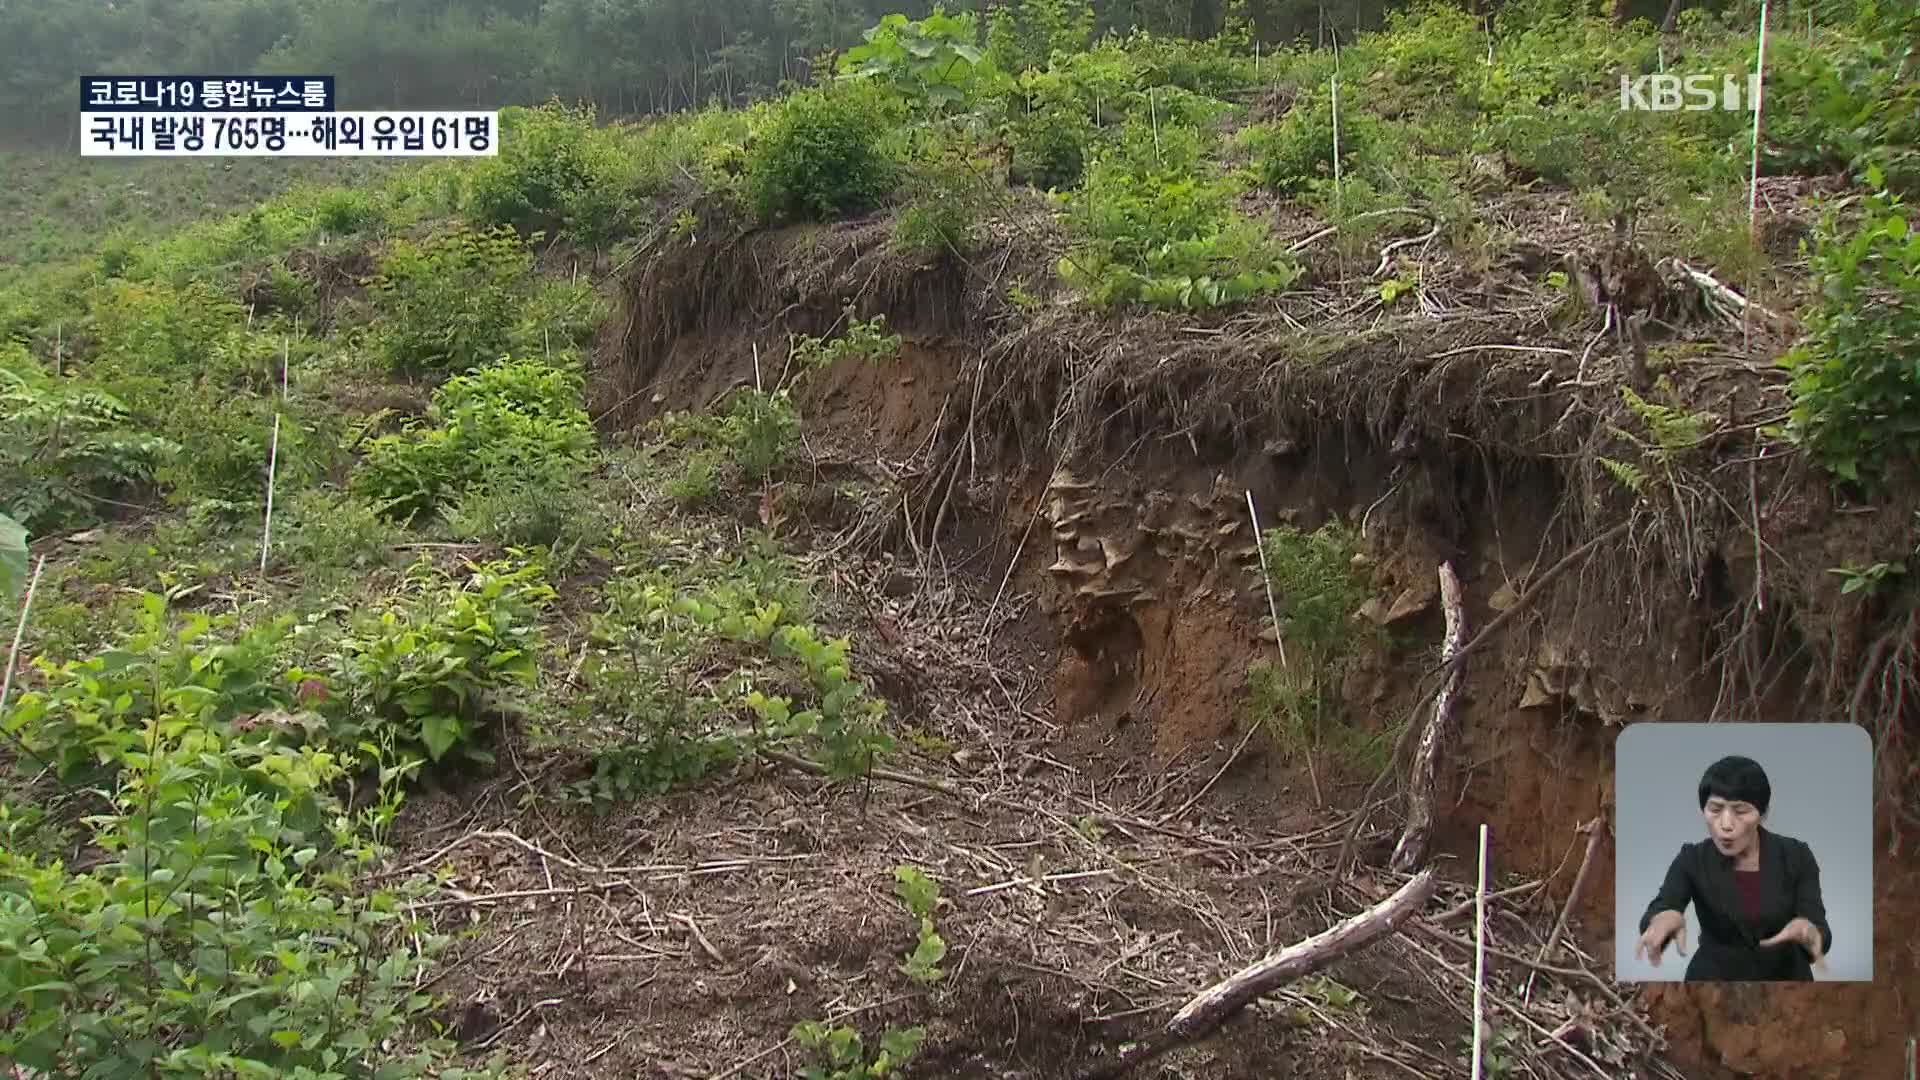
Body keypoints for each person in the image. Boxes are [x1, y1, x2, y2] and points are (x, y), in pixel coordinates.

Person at [1634, 754, 1832, 981]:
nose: (1726, 824)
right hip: (1713, 982)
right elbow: (1663, 905)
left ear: (1762, 813)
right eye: (1715, 809)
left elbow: (1820, 930)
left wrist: (1809, 932)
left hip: (1786, 983)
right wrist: (1663, 918)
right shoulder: (1692, 859)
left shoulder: (1796, 856)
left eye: (1740, 811)